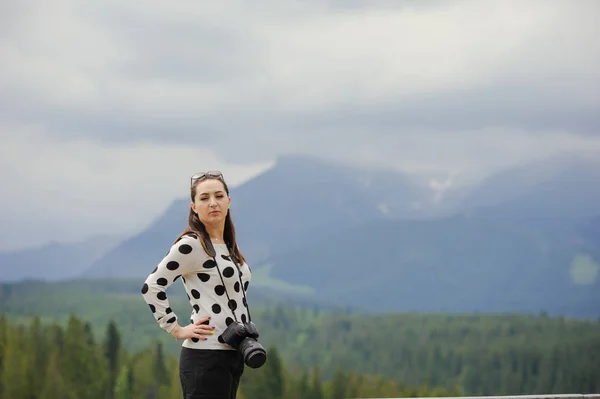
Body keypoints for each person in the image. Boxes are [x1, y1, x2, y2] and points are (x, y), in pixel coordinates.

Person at [141, 170, 259, 399]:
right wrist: (176, 329)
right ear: (194, 206)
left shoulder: (227, 246)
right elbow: (151, 286)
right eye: (204, 198)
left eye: (218, 196)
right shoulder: (192, 245)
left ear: (228, 201)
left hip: (234, 354)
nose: (213, 203)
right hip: (205, 356)